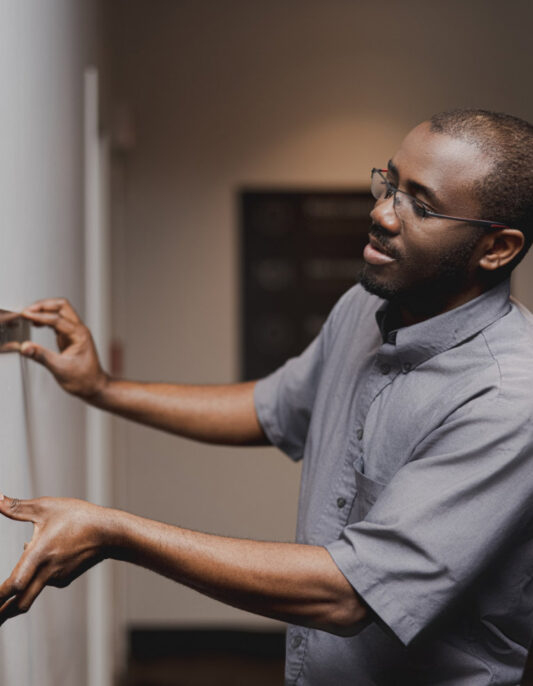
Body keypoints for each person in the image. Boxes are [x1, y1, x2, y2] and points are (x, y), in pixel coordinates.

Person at [0, 108, 532, 686]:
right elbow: (271, 408)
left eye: (420, 205)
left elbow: (350, 594)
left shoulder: (507, 401)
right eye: (390, 183)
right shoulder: (369, 305)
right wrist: (101, 389)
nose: (381, 212)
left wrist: (116, 533)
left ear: (497, 248)